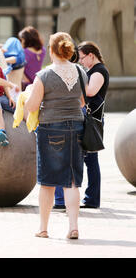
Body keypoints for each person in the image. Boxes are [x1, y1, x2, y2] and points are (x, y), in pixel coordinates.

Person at [24, 32, 88, 240]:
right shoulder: (80, 71)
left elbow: (32, 105)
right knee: (71, 180)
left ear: (51, 51)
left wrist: (26, 100)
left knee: (48, 181)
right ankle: (73, 226)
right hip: (77, 126)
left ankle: (43, 228)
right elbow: (82, 102)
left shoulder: (44, 75)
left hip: (50, 128)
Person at [54, 41, 109, 210]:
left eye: (83, 58)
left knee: (91, 160)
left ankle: (92, 198)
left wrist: (74, 79)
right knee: (90, 160)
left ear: (91, 55)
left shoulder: (99, 71)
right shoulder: (93, 70)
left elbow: (91, 92)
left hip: (91, 120)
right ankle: (90, 198)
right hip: (90, 119)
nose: (81, 62)